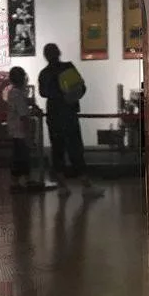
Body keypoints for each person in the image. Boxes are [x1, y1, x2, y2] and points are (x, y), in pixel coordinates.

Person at [37, 43, 98, 195]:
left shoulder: (44, 73)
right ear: (59, 53)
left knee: (57, 150)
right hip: (69, 114)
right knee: (75, 149)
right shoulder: (67, 68)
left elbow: (43, 93)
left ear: (45, 56)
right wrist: (69, 97)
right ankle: (86, 185)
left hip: (54, 115)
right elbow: (81, 88)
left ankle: (62, 186)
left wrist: (56, 92)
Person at [7, 67, 35, 192]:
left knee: (19, 156)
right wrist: (28, 134)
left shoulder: (13, 93)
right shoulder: (18, 94)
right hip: (20, 131)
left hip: (15, 130)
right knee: (22, 157)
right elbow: (23, 116)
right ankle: (20, 181)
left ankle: (21, 180)